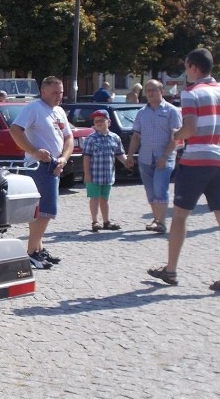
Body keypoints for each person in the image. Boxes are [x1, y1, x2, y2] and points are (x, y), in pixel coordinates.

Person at [147, 48, 220, 293]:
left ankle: (171, 269)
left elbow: (189, 128)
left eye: (186, 67)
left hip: (196, 162)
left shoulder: (192, 93)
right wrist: (219, 134)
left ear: (193, 67)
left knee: (180, 215)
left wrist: (178, 135)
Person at [9, 76, 73, 269]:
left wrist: (64, 158)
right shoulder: (34, 109)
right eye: (55, 92)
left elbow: (68, 138)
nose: (58, 96)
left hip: (55, 164)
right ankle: (31, 253)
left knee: (40, 212)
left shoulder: (59, 111)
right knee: (45, 211)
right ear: (43, 92)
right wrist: (34, 151)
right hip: (40, 167)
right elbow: (15, 130)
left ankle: (38, 248)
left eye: (61, 92)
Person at [125, 79, 182, 234]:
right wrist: (130, 155)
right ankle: (157, 220)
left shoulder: (172, 111)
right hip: (145, 158)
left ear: (161, 91)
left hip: (164, 157)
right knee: (150, 191)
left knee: (160, 188)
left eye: (153, 90)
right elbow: (136, 136)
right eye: (148, 90)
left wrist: (165, 156)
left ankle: (161, 222)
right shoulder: (142, 113)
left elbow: (175, 137)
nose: (150, 93)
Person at [82, 109, 131, 231]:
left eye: (101, 120)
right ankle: (95, 221)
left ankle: (106, 221)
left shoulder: (114, 138)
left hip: (108, 174)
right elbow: (86, 157)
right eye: (96, 121)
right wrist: (87, 174)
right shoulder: (90, 139)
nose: (98, 123)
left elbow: (119, 153)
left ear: (108, 122)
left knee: (105, 199)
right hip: (94, 174)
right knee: (94, 198)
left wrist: (126, 161)